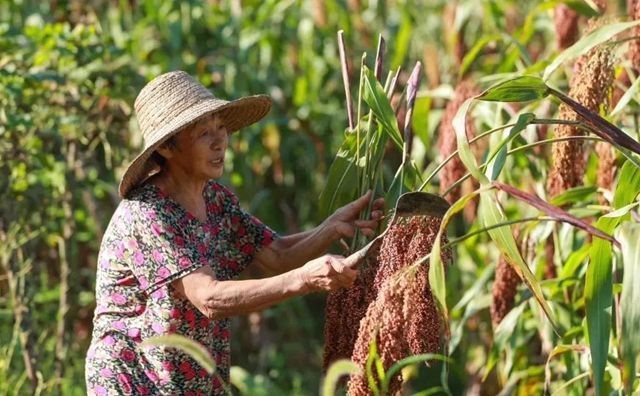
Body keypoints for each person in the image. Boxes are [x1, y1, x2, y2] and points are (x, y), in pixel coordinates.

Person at [85, 70, 384, 395]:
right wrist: (304, 279)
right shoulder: (149, 213)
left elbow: (277, 254)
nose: (220, 142)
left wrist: (332, 227)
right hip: (135, 379)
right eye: (203, 134)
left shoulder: (213, 198)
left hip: (187, 377)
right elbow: (209, 297)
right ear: (168, 149)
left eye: (221, 129)